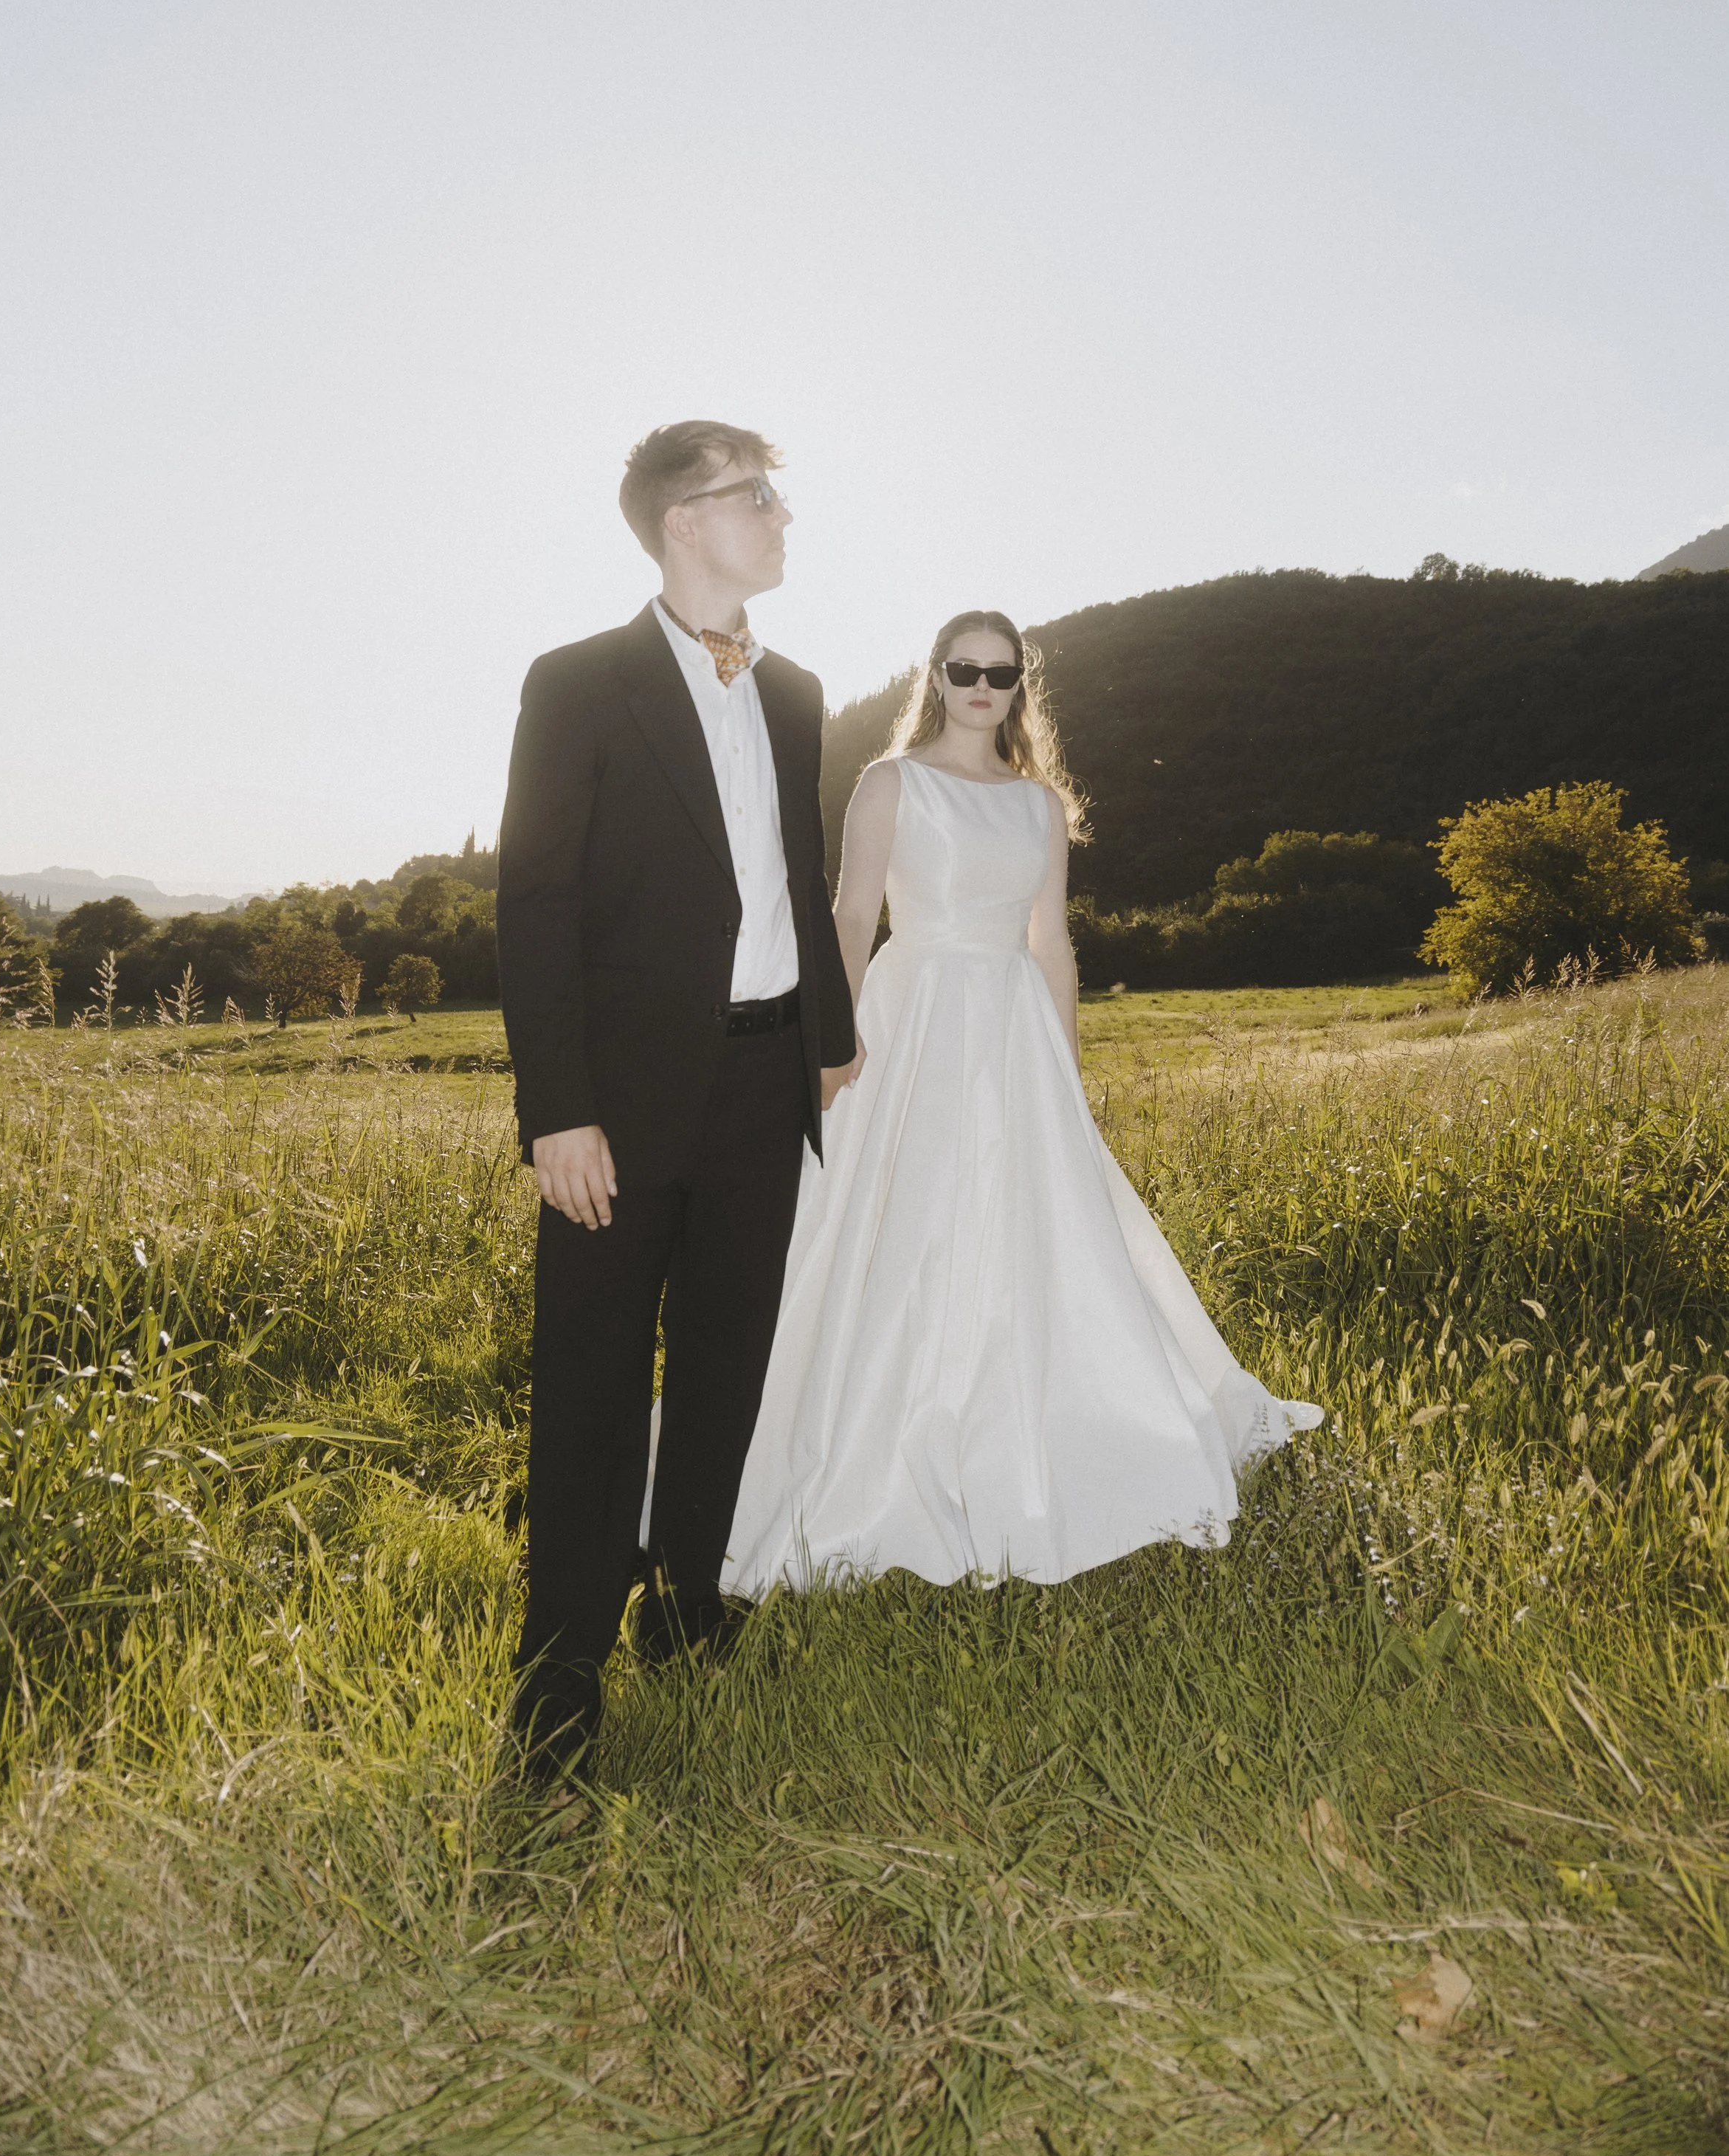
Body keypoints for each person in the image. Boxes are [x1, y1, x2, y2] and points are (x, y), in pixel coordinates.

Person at [725, 609, 1321, 1594]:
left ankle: (1034, 1425)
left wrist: (1066, 1072)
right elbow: (849, 914)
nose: (980, 686)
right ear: (937, 675)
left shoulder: (1040, 805)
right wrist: (830, 1042)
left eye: (1000, 673)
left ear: (1019, 687)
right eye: (963, 668)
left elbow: (1050, 943)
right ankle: (878, 1432)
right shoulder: (891, 783)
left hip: (1011, 1033)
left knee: (1026, 1228)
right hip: (910, 1015)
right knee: (897, 1224)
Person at [497, 420, 857, 1783]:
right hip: (620, 1104)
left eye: (776, 494)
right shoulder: (577, 685)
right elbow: (535, 904)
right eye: (753, 497)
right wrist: (559, 1108)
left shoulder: (798, 692)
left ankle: (689, 1607)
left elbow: (792, 873)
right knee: (591, 1384)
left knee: (725, 1360)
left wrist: (829, 1032)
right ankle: (559, 1689)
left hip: (769, 1078)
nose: (778, 517)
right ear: (679, 524)